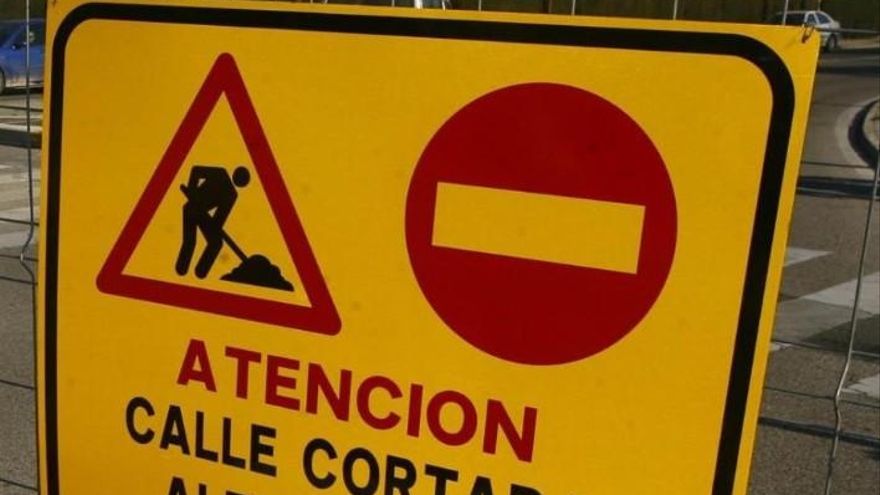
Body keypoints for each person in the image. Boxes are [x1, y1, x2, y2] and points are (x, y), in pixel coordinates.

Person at [175, 165, 250, 279]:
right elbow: (196, 170)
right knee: (190, 241)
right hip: (191, 209)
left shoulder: (232, 194)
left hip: (203, 216)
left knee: (216, 243)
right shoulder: (220, 174)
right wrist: (192, 191)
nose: (240, 180)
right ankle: (181, 269)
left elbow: (219, 218)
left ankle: (200, 272)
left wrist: (215, 226)